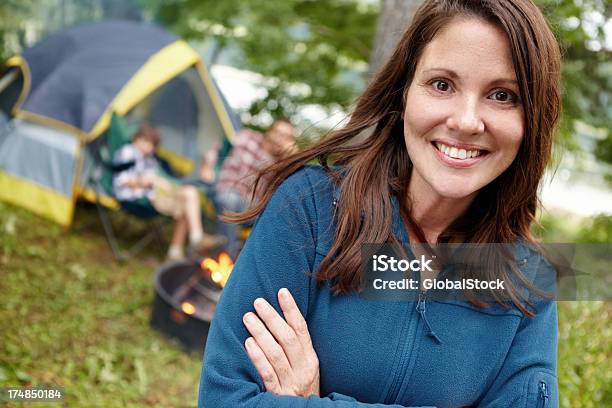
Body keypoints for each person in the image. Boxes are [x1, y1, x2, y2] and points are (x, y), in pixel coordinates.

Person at [199, 0, 561, 406]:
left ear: (531, 119)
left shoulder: (527, 281)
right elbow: (226, 398)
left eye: (502, 95)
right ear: (404, 91)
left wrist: (308, 402)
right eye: (442, 84)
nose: (465, 121)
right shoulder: (311, 210)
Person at [113, 124, 226, 260]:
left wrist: (158, 182)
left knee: (189, 195)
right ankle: (191, 241)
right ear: (136, 139)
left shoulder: (150, 160)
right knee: (188, 197)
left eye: (151, 144)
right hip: (135, 198)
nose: (147, 146)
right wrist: (147, 181)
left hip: (153, 196)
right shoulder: (128, 152)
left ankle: (184, 246)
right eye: (145, 141)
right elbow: (121, 180)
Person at [201, 119, 298, 257]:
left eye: (285, 137)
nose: (278, 138)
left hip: (250, 206)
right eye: (277, 132)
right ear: (270, 131)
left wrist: (292, 157)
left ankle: (222, 252)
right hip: (224, 189)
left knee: (234, 204)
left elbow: (289, 188)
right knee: (227, 200)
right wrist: (207, 165)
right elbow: (221, 143)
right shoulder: (247, 137)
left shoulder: (281, 164)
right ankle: (226, 257)